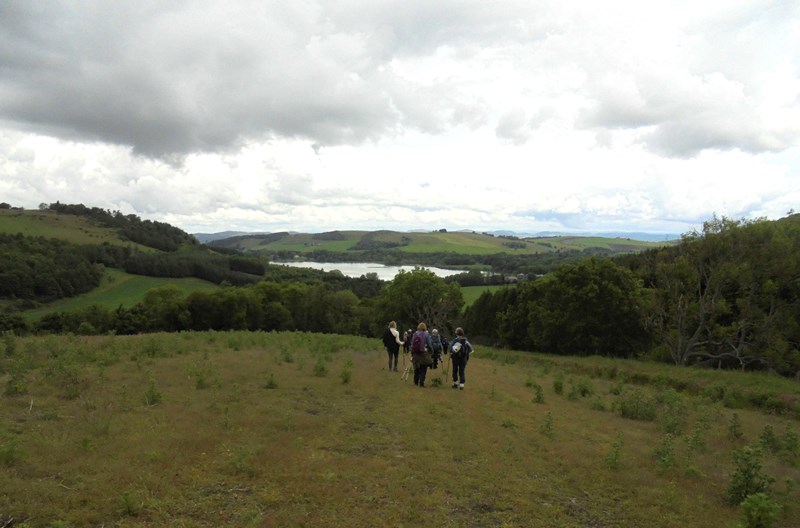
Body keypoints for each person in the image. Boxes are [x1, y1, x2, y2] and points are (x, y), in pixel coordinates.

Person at [410, 322, 433, 387]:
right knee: (423, 367)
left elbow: (412, 344)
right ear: (424, 328)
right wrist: (431, 351)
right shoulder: (426, 334)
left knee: (416, 367)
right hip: (423, 353)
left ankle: (415, 381)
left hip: (415, 353)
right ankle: (421, 382)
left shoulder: (415, 334)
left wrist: (412, 352)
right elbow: (429, 344)